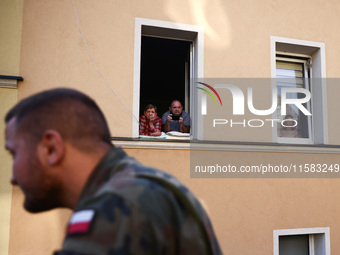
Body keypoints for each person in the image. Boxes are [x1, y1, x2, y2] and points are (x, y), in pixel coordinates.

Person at [4, 88, 222, 255]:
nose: (12, 178)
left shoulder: (114, 206)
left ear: (51, 148)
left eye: (15, 154)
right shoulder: (148, 186)